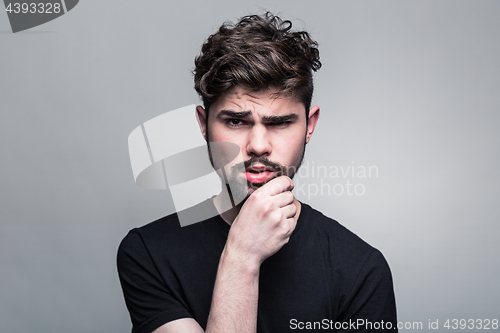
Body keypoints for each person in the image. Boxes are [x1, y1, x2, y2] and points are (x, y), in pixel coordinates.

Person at [117, 12, 398, 333]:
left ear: (310, 125)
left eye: (279, 123)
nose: (258, 146)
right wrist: (242, 257)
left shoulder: (360, 269)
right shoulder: (148, 254)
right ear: (203, 124)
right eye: (236, 121)